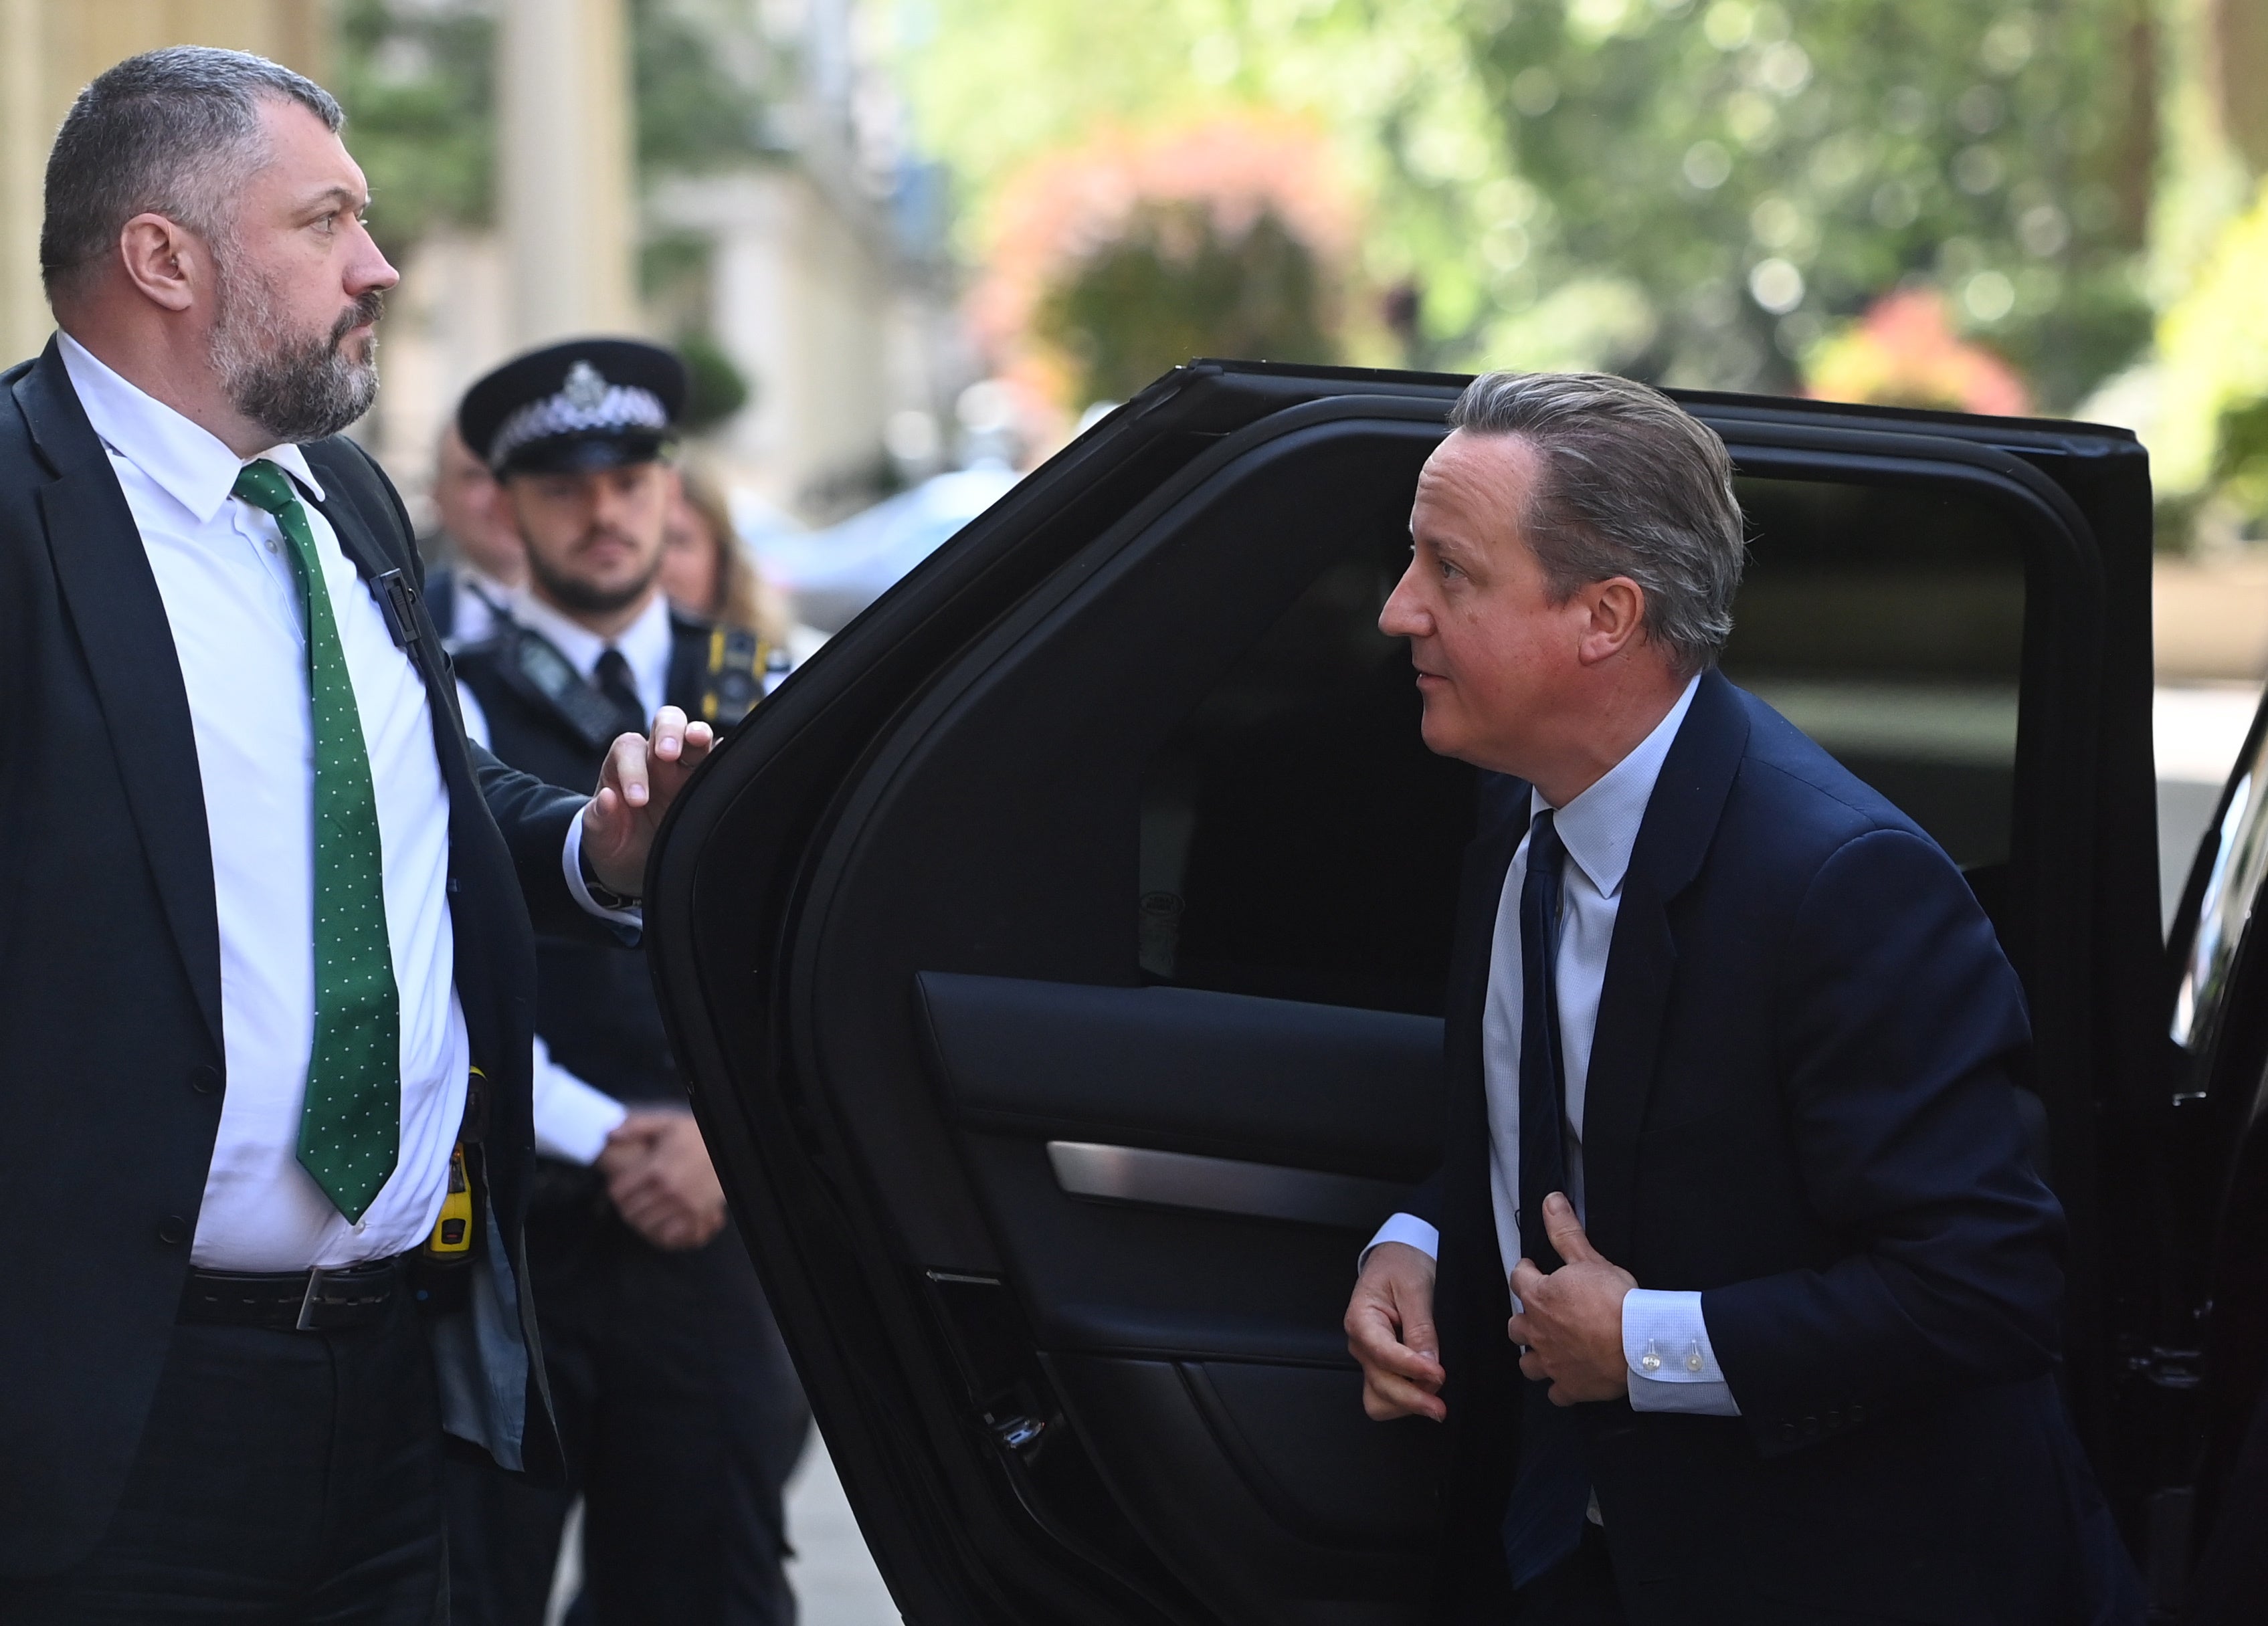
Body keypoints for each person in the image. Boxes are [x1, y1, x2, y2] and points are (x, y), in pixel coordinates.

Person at [0, 47, 711, 1623]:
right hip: (108, 1421)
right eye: (326, 220)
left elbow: (413, 815)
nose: (376, 266)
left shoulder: (340, 500)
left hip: (398, 1391)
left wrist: (601, 848)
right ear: (163, 257)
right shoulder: (17, 511)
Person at [1341, 371, 2143, 1623]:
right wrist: (1424, 1240)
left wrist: (1646, 1345)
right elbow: (1555, 1116)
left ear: (1605, 615)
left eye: (1451, 571)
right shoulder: (1520, 801)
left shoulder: (1838, 885)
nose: (1399, 612)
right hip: (1565, 1545)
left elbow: (1986, 1286)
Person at [446, 338, 808, 1626]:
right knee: (470, 1586)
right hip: (514, 1238)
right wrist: (611, 1139)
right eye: (564, 487)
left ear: (669, 487)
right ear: (506, 503)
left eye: (629, 480)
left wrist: (724, 1137)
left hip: (710, 1235)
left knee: (705, 1586)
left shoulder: (773, 688)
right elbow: (444, 974)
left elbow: (813, 960)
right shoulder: (449, 698)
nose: (603, 514)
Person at [422, 421, 524, 645]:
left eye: (514, 473)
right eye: (476, 476)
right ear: (437, 496)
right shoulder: (400, 620)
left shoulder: (605, 618)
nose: (500, 499)